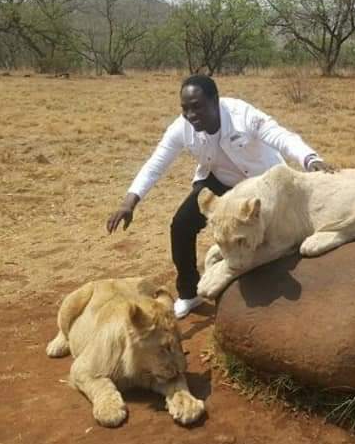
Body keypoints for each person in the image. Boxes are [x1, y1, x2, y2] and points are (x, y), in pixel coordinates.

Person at [107, 75, 334, 319]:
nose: (191, 114)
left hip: (260, 183)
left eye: (197, 106)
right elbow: (156, 164)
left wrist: (310, 159)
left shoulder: (242, 115)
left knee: (271, 234)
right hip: (219, 181)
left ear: (215, 101)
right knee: (182, 225)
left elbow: (280, 136)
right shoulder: (182, 128)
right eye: (185, 108)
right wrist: (129, 202)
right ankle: (188, 294)